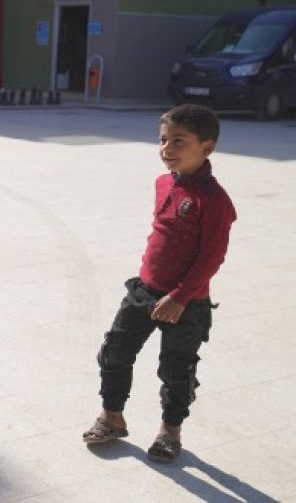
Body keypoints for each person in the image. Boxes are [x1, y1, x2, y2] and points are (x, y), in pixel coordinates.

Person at [81, 104, 236, 463]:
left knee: (176, 370)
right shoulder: (163, 183)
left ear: (207, 148)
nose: (167, 149)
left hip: (186, 303)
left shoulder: (215, 201)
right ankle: (112, 417)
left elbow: (211, 258)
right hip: (144, 291)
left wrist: (180, 297)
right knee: (115, 352)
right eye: (163, 139)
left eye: (179, 141)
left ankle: (170, 432)